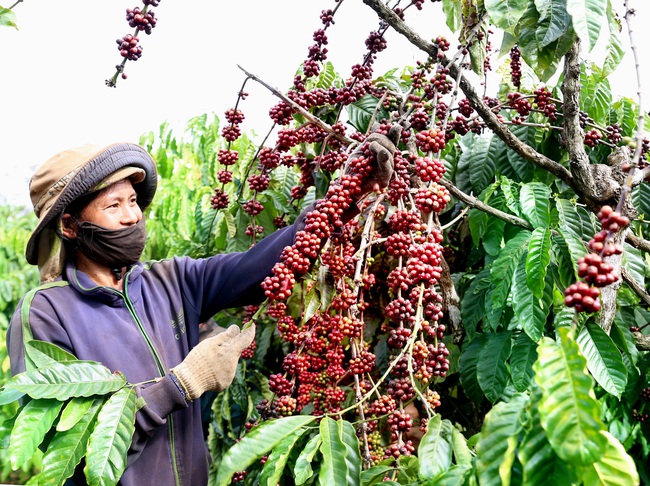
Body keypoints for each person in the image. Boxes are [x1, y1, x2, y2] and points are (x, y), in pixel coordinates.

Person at [7, 127, 400, 485]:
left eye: (133, 201)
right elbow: (74, 453)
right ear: (71, 226)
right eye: (114, 206)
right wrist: (181, 385)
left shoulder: (172, 281)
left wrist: (344, 195)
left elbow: (260, 266)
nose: (132, 217)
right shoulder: (45, 314)